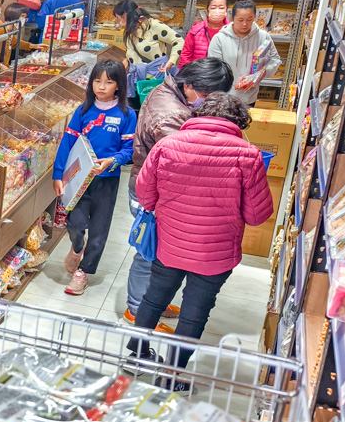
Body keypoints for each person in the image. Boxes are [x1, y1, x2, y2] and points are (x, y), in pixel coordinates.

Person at [128, 92, 273, 389]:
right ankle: (172, 376)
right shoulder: (248, 155)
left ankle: (138, 354)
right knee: (195, 314)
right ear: (239, 122)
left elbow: (145, 195)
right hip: (216, 254)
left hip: (169, 243)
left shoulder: (167, 146)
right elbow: (257, 215)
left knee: (154, 297)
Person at [123, 58, 234, 330]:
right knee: (148, 251)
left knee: (154, 249)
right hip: (153, 191)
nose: (209, 102)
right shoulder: (171, 114)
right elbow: (185, 158)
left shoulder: (171, 94)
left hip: (157, 187)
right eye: (207, 95)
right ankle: (137, 310)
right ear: (189, 86)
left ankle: (150, 303)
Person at [52, 60, 136, 297]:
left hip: (107, 180)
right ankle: (77, 246)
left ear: (119, 86)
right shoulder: (83, 111)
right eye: (97, 81)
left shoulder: (127, 115)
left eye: (109, 82)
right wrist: (59, 174)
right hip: (79, 177)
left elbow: (129, 149)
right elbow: (67, 144)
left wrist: (114, 161)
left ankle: (84, 273)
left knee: (99, 229)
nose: (102, 86)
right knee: (75, 223)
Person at [205, 0, 280, 106]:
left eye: (249, 19)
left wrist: (261, 73)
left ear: (255, 17)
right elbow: (213, 68)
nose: (245, 24)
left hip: (249, 98)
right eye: (240, 20)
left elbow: (275, 60)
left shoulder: (263, 37)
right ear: (232, 17)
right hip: (223, 98)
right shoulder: (220, 39)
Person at [114, 0, 182, 69]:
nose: (118, 22)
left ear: (125, 16)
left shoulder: (153, 25)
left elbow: (178, 40)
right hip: (138, 77)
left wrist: (171, 62)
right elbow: (135, 52)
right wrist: (127, 60)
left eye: (117, 18)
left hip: (155, 77)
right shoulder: (130, 31)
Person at [177, 0, 228, 68]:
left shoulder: (233, 31)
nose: (217, 11)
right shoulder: (195, 31)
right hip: (199, 74)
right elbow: (186, 56)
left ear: (226, 11)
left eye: (221, 8)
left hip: (223, 74)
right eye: (213, 8)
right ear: (207, 12)